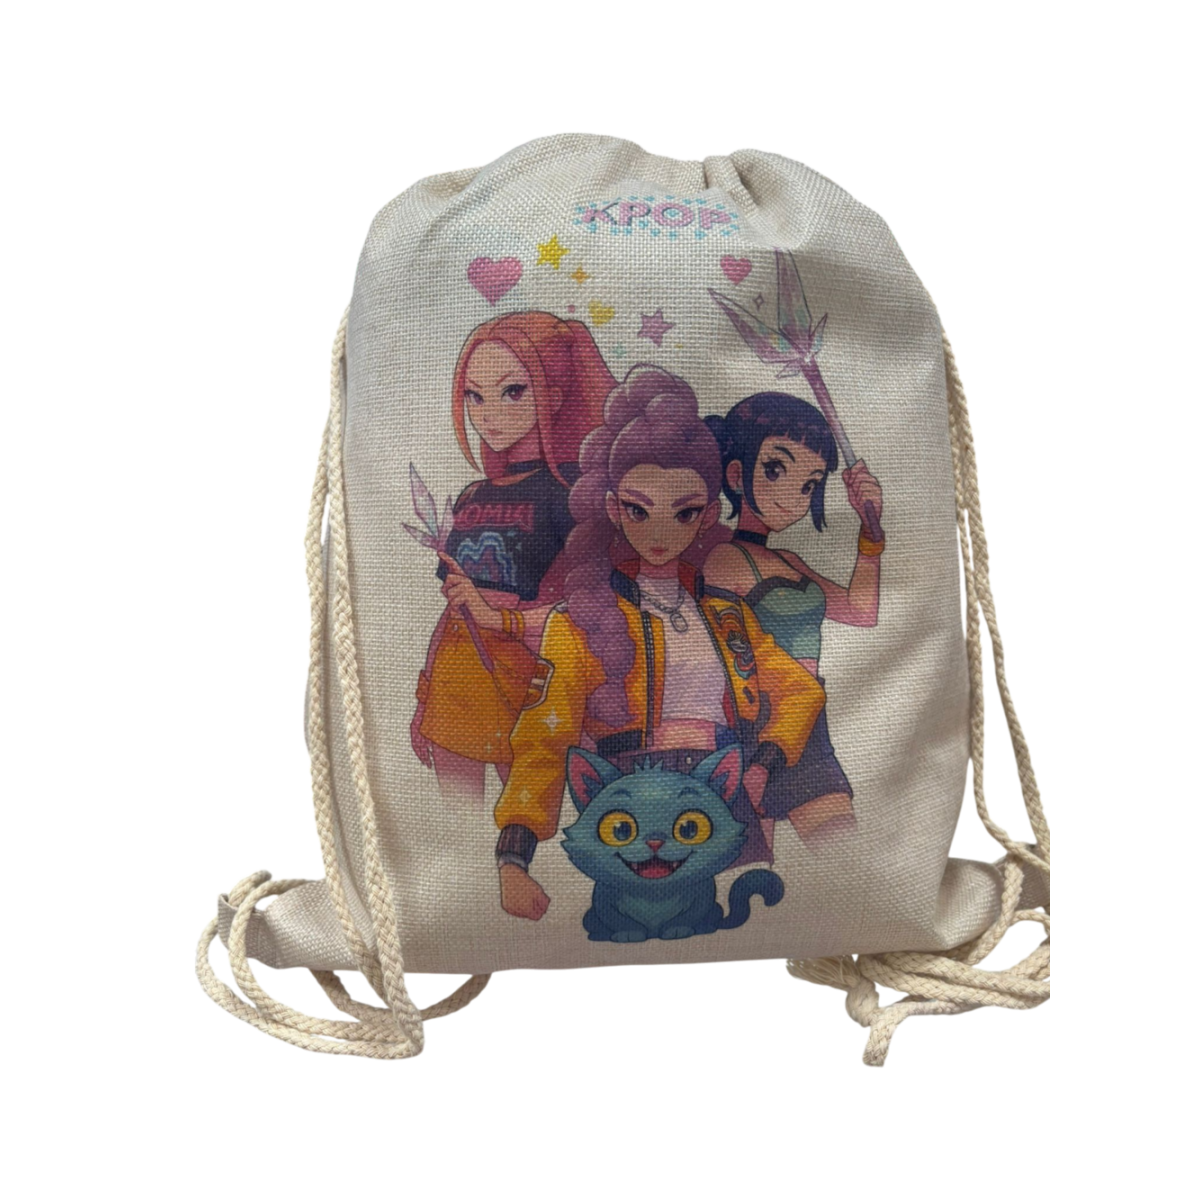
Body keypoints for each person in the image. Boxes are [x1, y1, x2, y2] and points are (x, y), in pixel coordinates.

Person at [491, 365, 827, 921]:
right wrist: (513, 857)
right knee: (633, 921)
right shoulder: (581, 619)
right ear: (612, 508)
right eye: (638, 510)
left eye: (685, 512)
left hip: (725, 791)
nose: (660, 531)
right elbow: (543, 737)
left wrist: (764, 762)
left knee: (736, 920)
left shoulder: (725, 613)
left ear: (707, 515)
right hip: (633, 805)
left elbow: (801, 690)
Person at [411, 312, 616, 802]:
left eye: (513, 392)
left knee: (526, 819)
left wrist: (501, 619)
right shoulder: (470, 496)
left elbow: (590, 607)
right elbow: (454, 606)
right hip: (455, 683)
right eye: (474, 396)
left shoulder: (574, 493)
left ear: (555, 396)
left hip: (528, 681)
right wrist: (424, 694)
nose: (488, 414)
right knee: (457, 815)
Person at [702, 392, 883, 852]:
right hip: (758, 722)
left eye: (809, 485)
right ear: (737, 475)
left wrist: (869, 533)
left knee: (839, 848)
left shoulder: (789, 561)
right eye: (775, 470)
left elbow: (860, 611)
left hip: (808, 721)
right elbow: (727, 661)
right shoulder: (725, 561)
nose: (793, 497)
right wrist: (758, 757)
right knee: (756, 861)